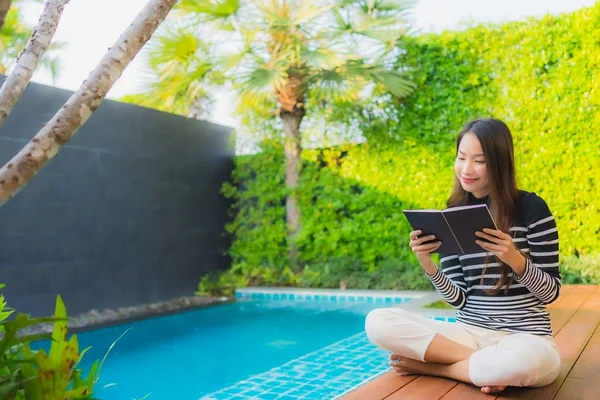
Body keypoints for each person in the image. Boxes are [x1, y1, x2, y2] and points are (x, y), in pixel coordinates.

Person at [364, 118, 561, 394]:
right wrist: (428, 266)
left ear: (499, 162)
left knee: (520, 363)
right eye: (461, 158)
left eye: (479, 161)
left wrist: (514, 258)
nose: (466, 170)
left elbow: (551, 293)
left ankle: (433, 367)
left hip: (525, 338)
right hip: (468, 335)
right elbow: (459, 299)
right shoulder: (453, 212)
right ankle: (480, 368)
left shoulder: (532, 208)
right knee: (377, 322)